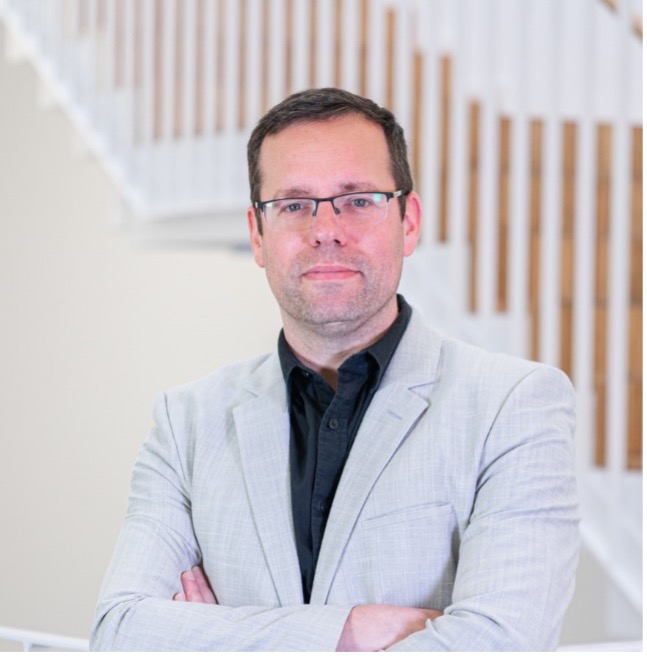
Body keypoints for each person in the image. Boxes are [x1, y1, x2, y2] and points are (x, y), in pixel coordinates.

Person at [90, 87, 579, 651]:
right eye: (294, 205)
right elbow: (120, 632)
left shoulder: (513, 405)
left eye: (359, 200)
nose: (326, 229)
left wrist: (217, 638)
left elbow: (501, 643)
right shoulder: (186, 423)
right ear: (257, 234)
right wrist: (351, 631)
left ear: (409, 222)